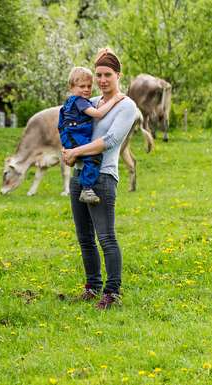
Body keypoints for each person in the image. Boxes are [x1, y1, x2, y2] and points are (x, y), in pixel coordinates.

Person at [62, 48, 138, 309]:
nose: (103, 80)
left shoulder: (126, 106)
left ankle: (112, 291)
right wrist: (67, 150)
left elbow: (110, 141)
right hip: (79, 176)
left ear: (118, 75)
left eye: (107, 74)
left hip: (103, 178)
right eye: (99, 75)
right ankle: (92, 287)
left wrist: (75, 152)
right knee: (84, 237)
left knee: (105, 236)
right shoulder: (90, 101)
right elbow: (70, 124)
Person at [58, 67, 125, 204]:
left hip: (70, 136)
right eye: (82, 86)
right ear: (71, 87)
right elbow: (98, 114)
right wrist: (114, 100)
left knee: (83, 155)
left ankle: (78, 167)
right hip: (74, 135)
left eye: (89, 86)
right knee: (93, 156)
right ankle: (87, 188)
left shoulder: (70, 102)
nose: (86, 89)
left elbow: (60, 122)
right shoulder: (80, 101)